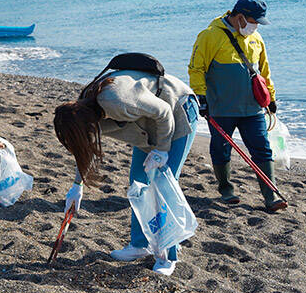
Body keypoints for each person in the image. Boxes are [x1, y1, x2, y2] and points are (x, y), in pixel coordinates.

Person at [54, 67, 199, 276]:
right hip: (146, 126)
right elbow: (84, 148)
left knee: (163, 185)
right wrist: (77, 186)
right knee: (137, 182)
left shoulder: (116, 101)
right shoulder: (84, 114)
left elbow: (164, 112)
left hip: (178, 109)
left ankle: (169, 256)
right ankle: (140, 246)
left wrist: (162, 150)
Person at [189, 0, 284, 212]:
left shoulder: (256, 39)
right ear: (239, 17)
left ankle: (271, 196)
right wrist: (201, 98)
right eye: (253, 21)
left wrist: (272, 97)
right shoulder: (209, 36)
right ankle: (226, 190)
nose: (255, 26)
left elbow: (264, 72)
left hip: (252, 108)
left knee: (262, 148)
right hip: (221, 108)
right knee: (221, 149)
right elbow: (196, 69)